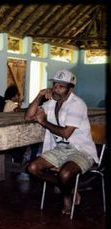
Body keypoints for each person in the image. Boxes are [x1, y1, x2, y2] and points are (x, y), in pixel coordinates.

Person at [24, 69, 99, 215]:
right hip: (60, 149)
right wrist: (39, 96)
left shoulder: (77, 104)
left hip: (81, 150)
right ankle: (71, 189)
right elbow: (28, 116)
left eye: (61, 86)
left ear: (70, 89)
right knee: (32, 168)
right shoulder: (52, 102)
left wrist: (44, 122)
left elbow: (66, 133)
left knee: (65, 174)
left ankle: (66, 197)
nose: (56, 89)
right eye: (55, 85)